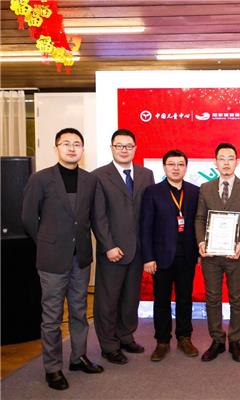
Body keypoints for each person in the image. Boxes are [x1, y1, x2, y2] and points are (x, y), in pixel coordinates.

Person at [21, 128, 104, 391]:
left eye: (77, 144)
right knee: (52, 316)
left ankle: (78, 357)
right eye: (66, 143)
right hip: (52, 259)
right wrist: (48, 242)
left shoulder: (90, 180)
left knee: (79, 311)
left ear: (82, 149)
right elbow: (28, 217)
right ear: (56, 147)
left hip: (81, 258)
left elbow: (93, 217)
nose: (71, 148)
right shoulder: (40, 178)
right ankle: (53, 368)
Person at [92, 129, 155, 365]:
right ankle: (109, 345)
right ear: (111, 148)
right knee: (108, 300)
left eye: (128, 146)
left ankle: (125, 336)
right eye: (119, 146)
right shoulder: (99, 176)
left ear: (135, 148)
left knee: (130, 298)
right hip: (113, 250)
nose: (124, 150)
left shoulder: (146, 174)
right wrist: (108, 245)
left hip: (138, 249)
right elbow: (98, 216)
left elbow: (149, 213)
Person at [195, 143, 240, 362]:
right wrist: (201, 242)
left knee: (236, 298)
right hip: (211, 255)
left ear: (237, 162)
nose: (226, 163)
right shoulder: (205, 188)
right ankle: (217, 340)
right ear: (216, 162)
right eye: (222, 158)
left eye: (230, 158)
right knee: (212, 298)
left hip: (235, 254)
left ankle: (235, 340)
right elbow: (200, 218)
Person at [140, 149, 200, 362]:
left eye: (180, 164)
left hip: (187, 256)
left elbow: (199, 224)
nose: (176, 168)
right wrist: (148, 257)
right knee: (161, 300)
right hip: (161, 257)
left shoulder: (194, 192)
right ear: (164, 167)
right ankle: (162, 341)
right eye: (171, 164)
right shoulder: (152, 192)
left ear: (186, 167)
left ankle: (184, 337)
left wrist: (200, 251)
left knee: (185, 299)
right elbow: (145, 227)